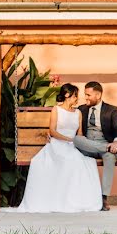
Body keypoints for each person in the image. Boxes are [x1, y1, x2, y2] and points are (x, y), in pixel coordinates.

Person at [8, 84, 102, 213]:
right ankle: (60, 199)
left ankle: (77, 199)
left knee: (86, 162)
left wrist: (80, 143)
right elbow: (52, 131)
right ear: (67, 95)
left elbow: (79, 133)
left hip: (73, 145)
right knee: (68, 160)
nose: (77, 99)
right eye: (75, 96)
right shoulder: (56, 110)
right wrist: (68, 139)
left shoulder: (78, 113)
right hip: (58, 144)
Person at [74, 81, 117, 211]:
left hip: (106, 142)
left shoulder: (111, 110)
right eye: (85, 95)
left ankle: (104, 197)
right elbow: (70, 126)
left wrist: (116, 142)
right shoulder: (81, 109)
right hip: (87, 146)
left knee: (110, 157)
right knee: (76, 139)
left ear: (98, 95)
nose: (86, 98)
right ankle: (107, 148)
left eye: (88, 95)